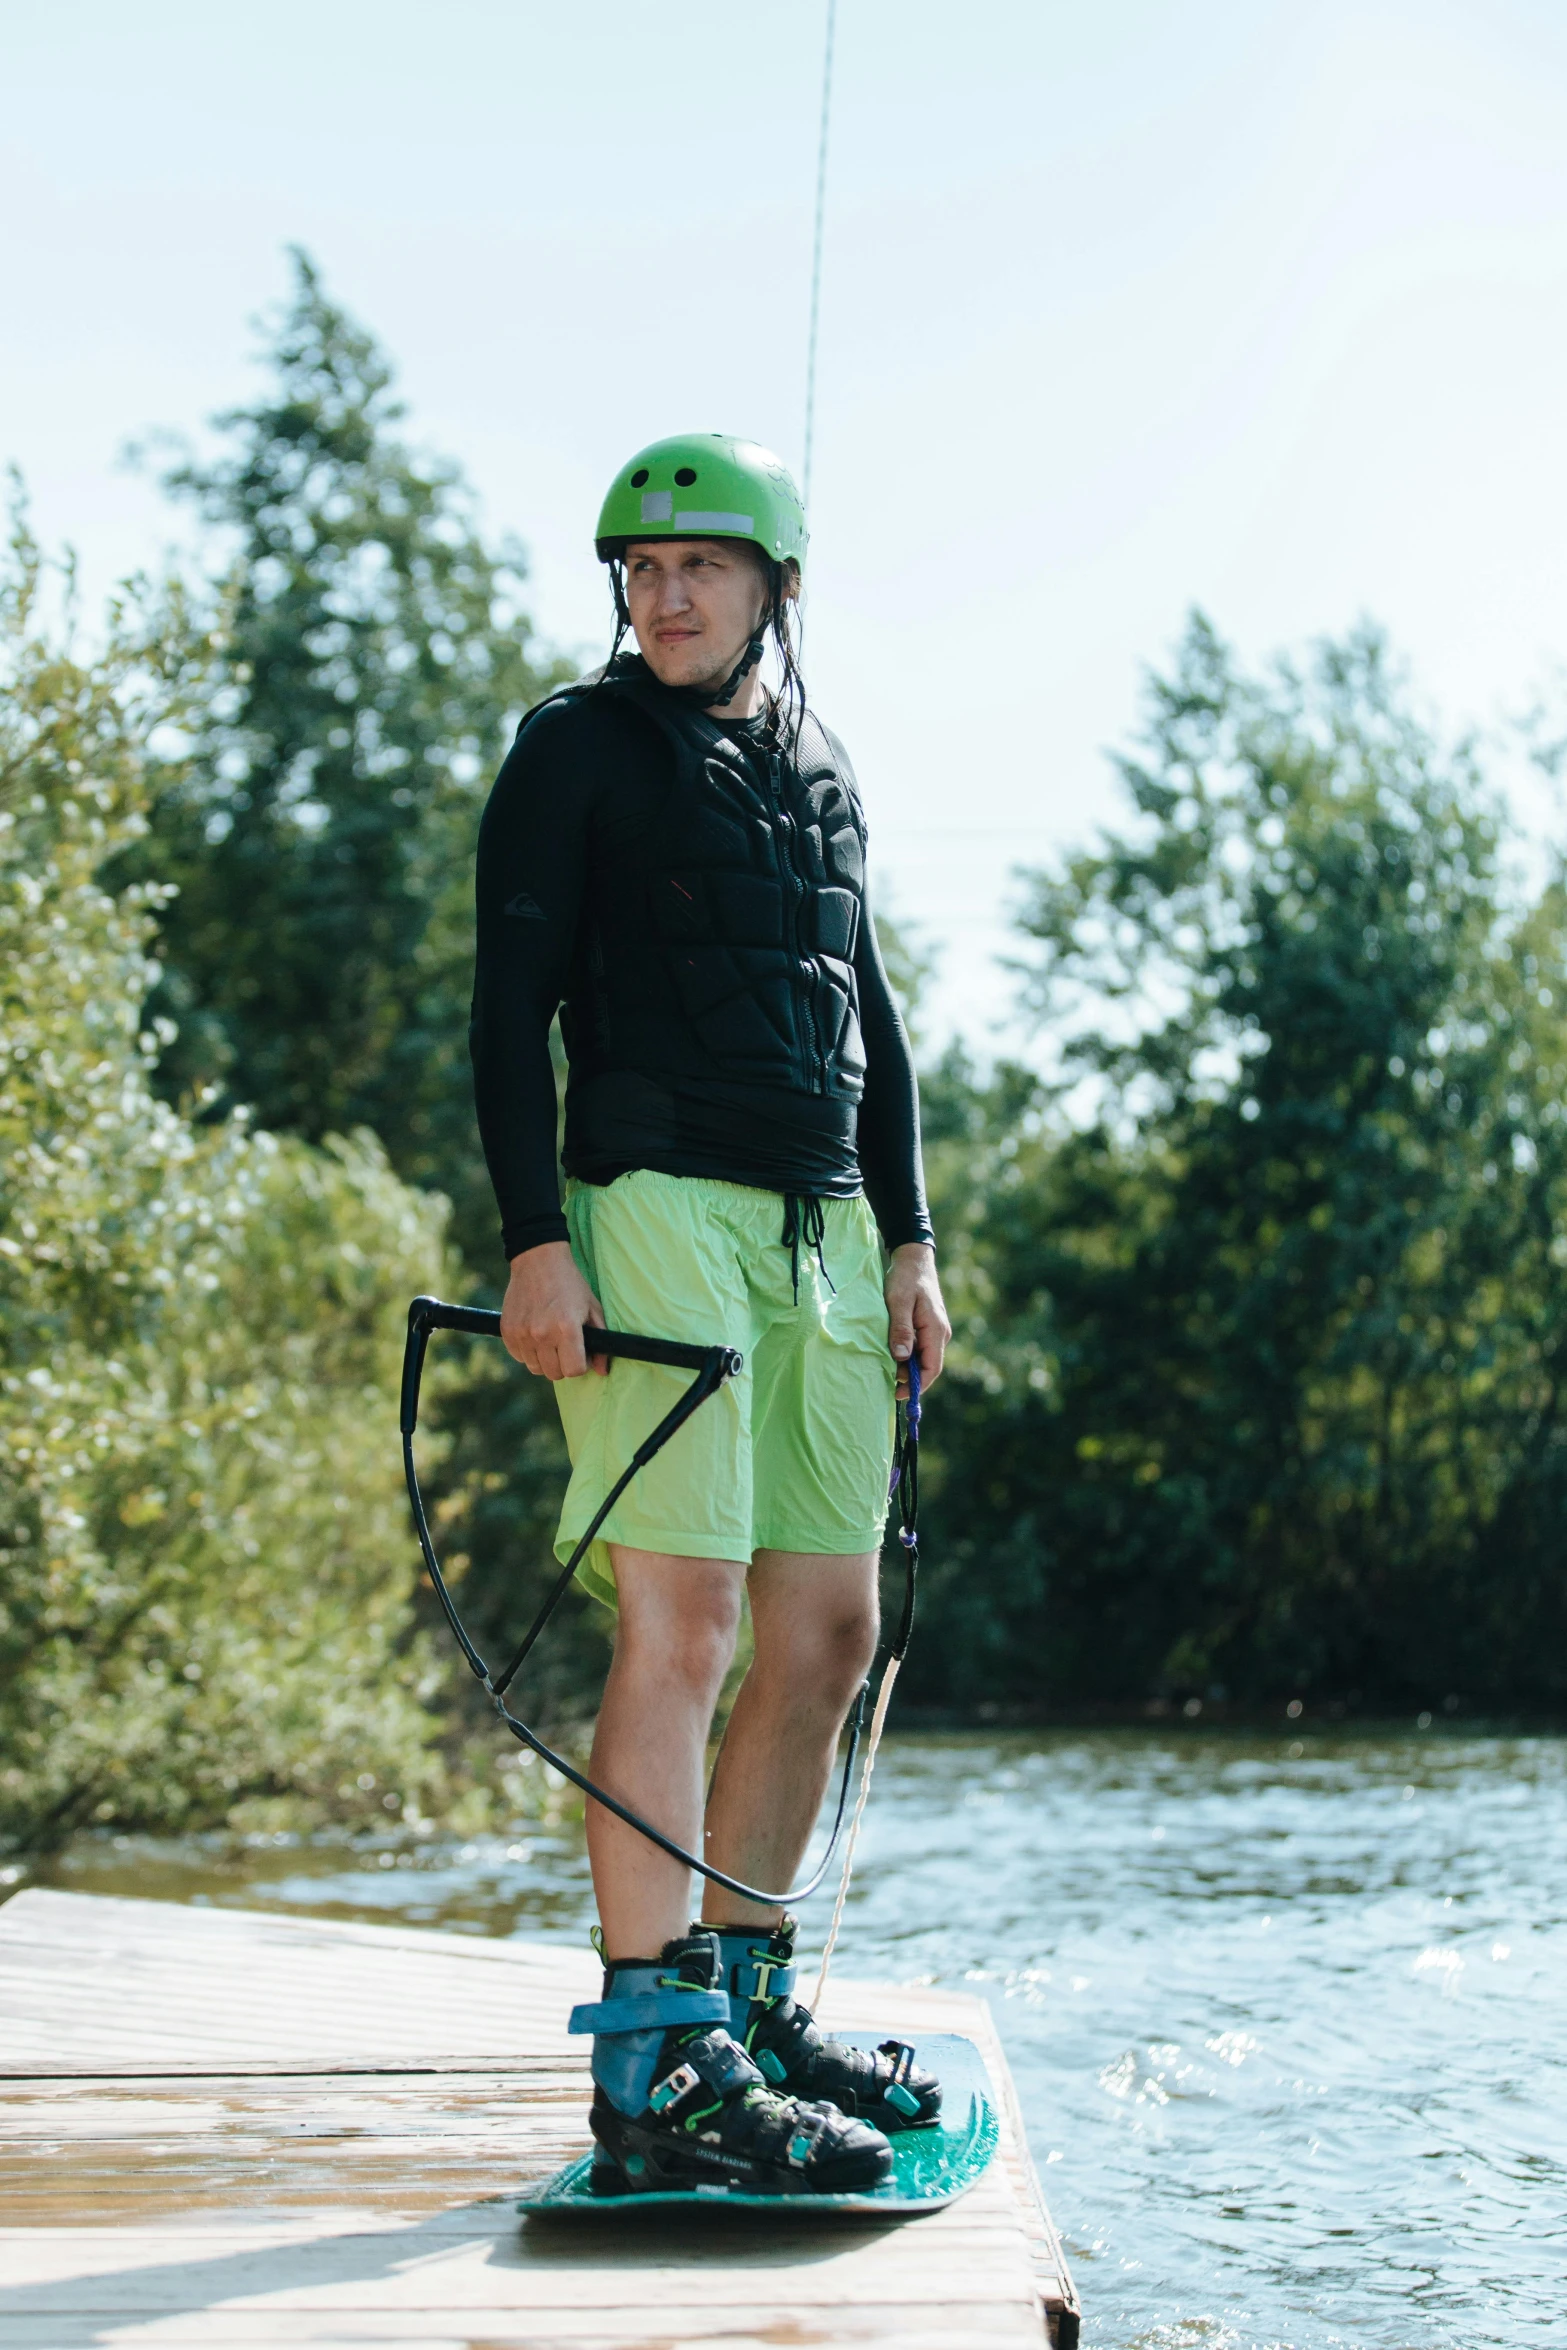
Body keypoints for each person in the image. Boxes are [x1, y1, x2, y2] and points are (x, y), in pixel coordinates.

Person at [469, 433, 951, 2197]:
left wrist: (907, 1237)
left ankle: (745, 1998)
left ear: (775, 588)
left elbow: (867, 1018)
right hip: (650, 1202)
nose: (663, 595)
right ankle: (652, 2055)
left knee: (823, 1627)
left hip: (824, 1233)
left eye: (701, 568)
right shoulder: (575, 751)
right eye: (639, 568)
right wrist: (539, 1237)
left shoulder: (822, 766)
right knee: (681, 1620)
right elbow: (504, 1006)